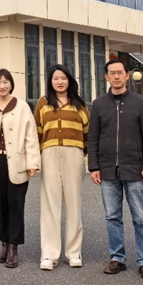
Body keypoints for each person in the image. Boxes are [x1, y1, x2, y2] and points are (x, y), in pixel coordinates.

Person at [89, 59, 143, 280]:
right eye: (112, 73)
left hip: (135, 168)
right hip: (108, 168)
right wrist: (94, 166)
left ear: (127, 75)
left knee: (141, 217)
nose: (116, 76)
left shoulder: (141, 103)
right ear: (106, 77)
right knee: (112, 216)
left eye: (120, 72)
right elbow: (93, 137)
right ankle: (117, 257)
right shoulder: (99, 104)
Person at [0, 69, 40, 269]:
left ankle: (14, 247)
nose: (2, 86)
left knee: (15, 204)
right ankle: (4, 244)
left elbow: (31, 136)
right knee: (0, 205)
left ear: (11, 84)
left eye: (5, 82)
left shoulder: (22, 107)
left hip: (17, 161)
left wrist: (33, 163)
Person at [34, 64, 90, 271]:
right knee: (50, 204)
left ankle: (74, 252)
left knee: (74, 203)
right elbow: (37, 131)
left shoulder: (79, 104)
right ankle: (49, 254)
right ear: (50, 81)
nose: (60, 82)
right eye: (56, 78)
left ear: (70, 81)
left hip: (74, 153)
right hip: (49, 153)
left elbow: (87, 132)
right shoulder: (43, 103)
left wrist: (80, 151)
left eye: (63, 78)